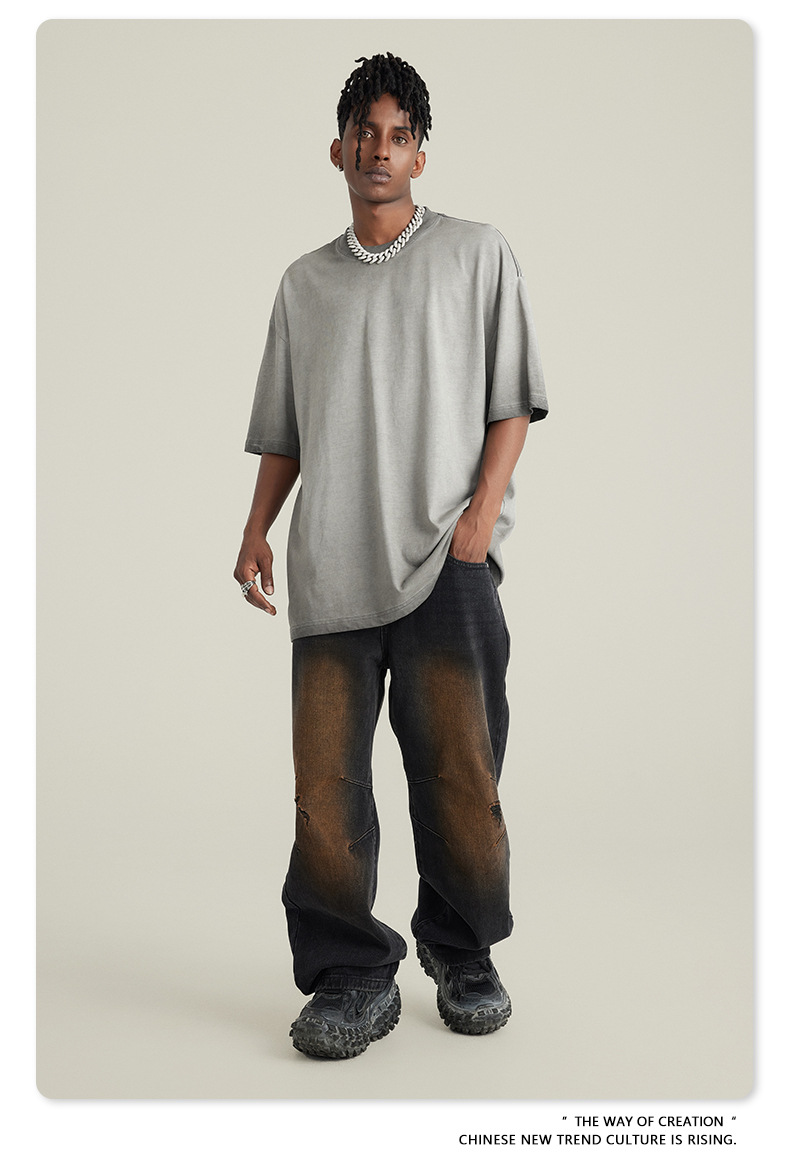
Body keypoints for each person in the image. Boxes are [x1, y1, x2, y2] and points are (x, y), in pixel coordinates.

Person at [234, 51, 548, 1060]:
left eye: (398, 135)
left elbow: (511, 402)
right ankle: (350, 975)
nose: (379, 149)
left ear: (420, 152)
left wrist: (477, 523)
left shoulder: (475, 254)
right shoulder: (303, 285)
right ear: (337, 150)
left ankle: (463, 951)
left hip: (444, 563)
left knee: (462, 777)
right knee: (325, 795)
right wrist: (255, 528)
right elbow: (286, 429)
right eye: (362, 133)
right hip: (330, 567)